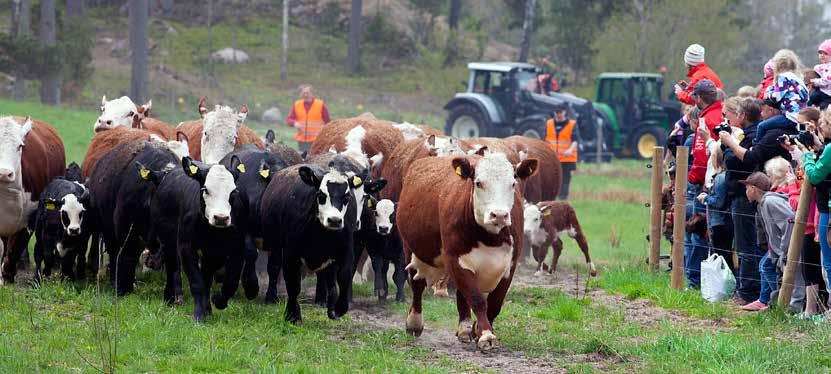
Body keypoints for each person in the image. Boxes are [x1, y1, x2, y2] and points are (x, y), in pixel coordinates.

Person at [718, 98, 766, 304]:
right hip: (740, 195)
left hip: (744, 196)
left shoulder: (750, 137)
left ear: (743, 115)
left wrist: (730, 144)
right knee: (747, 245)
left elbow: (732, 161)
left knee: (747, 246)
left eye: (736, 113)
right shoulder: (749, 134)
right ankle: (748, 289)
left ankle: (747, 292)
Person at [739, 172, 794, 312]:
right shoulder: (762, 204)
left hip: (785, 249)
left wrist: (784, 248)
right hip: (777, 249)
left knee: (767, 266)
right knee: (766, 265)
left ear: (753, 189)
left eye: (747, 188)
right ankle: (774, 300)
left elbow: (790, 221)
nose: (746, 192)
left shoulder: (770, 202)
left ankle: (779, 301)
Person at [800, 106, 831, 308]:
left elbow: (815, 175)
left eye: (825, 123)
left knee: (828, 263)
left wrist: (807, 155)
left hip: (828, 211)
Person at [754, 50, 809, 143]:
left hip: (790, 116)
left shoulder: (783, 77)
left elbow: (776, 97)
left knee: (761, 126)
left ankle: (756, 148)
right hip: (801, 117)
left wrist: (768, 92)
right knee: (801, 138)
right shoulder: (798, 78)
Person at [696, 144, 735, 275]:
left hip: (719, 222)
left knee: (721, 256)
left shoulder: (720, 178)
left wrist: (705, 198)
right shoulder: (727, 176)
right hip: (727, 221)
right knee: (726, 254)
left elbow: (718, 202)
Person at [545, 103, 579, 199]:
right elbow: (545, 140)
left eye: (560, 112)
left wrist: (570, 150)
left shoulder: (572, 124)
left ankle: (563, 197)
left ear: (565, 112)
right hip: (553, 158)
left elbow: (575, 141)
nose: (558, 114)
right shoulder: (549, 123)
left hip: (567, 158)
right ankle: (553, 196)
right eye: (556, 112)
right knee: (553, 178)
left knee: (565, 179)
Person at [285, 85, 331, 152]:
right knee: (303, 160)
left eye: (307, 93)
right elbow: (288, 120)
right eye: (303, 93)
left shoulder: (320, 104)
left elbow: (328, 122)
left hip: (316, 140)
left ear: (312, 94)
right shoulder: (297, 104)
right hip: (302, 140)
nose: (305, 95)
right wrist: (294, 123)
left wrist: (327, 136)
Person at [809, 39, 831, 109]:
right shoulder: (824, 65)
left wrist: (814, 81)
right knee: (809, 98)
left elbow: (826, 81)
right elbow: (819, 68)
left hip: (828, 94)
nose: (822, 55)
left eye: (826, 54)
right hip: (822, 91)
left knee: (823, 107)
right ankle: (805, 112)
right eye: (820, 53)